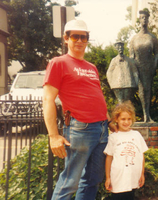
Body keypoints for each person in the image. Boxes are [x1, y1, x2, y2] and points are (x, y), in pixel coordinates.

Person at [43, 19, 116, 200]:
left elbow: (97, 96)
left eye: (84, 37)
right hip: (80, 129)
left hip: (101, 129)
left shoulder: (91, 67)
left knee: (93, 180)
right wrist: (53, 136)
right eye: (75, 36)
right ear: (66, 38)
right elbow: (48, 99)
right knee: (70, 182)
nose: (80, 41)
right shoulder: (58, 63)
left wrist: (108, 121)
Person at [104, 102, 148, 200]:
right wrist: (108, 177)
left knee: (130, 196)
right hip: (118, 178)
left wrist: (142, 173)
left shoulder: (137, 135)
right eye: (123, 119)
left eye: (129, 119)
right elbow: (109, 158)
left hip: (133, 177)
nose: (126, 122)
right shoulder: (113, 137)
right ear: (116, 119)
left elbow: (141, 156)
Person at [129, 10, 158, 123]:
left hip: (149, 67)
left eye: (146, 17)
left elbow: (157, 54)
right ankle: (143, 115)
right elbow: (131, 56)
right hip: (138, 68)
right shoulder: (134, 39)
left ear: (148, 20)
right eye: (142, 17)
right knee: (140, 90)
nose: (144, 19)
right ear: (139, 20)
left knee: (148, 90)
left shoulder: (152, 37)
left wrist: (154, 65)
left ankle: (147, 115)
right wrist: (133, 70)